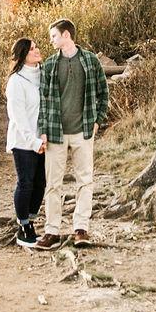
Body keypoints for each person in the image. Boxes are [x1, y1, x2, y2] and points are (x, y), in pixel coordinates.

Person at [31, 19, 109, 249]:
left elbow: (103, 93)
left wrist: (98, 121)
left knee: (85, 181)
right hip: (56, 133)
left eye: (53, 36)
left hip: (83, 132)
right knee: (53, 184)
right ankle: (51, 231)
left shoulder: (90, 60)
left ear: (66, 35)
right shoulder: (50, 65)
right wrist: (43, 130)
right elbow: (44, 101)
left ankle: (80, 229)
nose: (51, 40)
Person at [5, 37, 46, 248]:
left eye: (37, 46)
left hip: (42, 139)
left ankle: (30, 221)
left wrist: (44, 137)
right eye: (32, 49)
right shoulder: (16, 82)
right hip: (23, 141)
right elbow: (18, 117)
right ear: (22, 55)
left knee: (41, 183)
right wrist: (32, 141)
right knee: (26, 183)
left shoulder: (42, 75)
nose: (37, 50)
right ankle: (23, 227)